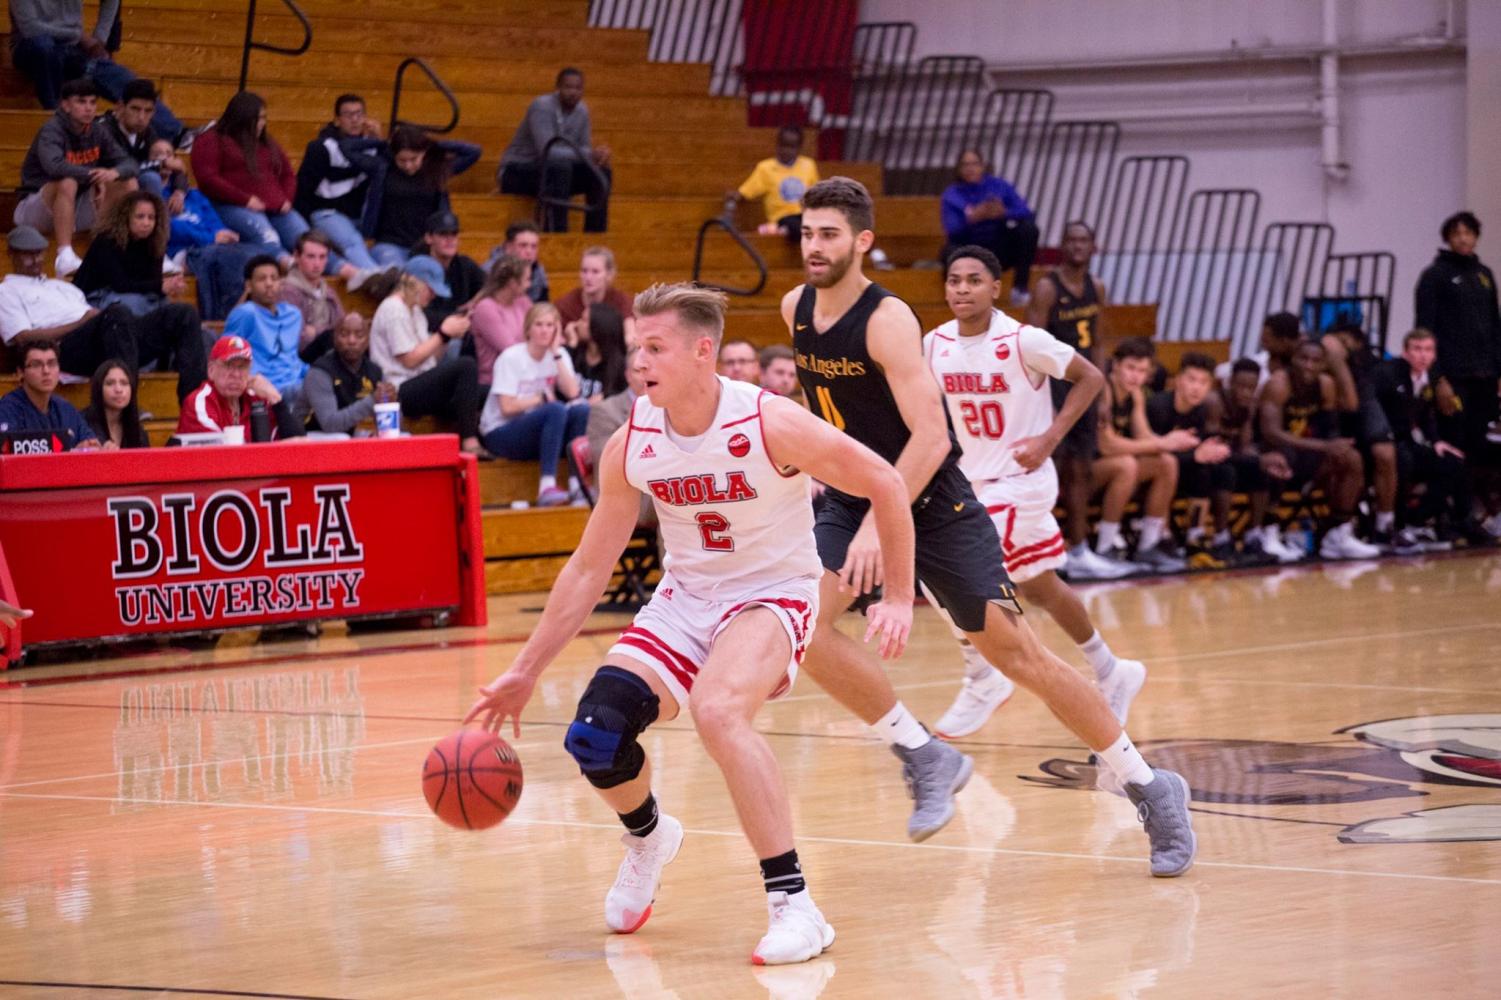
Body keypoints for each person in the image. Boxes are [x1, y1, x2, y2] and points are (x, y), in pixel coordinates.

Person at [465, 282, 916, 964]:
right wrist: (524, 671)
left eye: (654, 348)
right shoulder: (632, 440)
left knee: (719, 710)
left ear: (703, 352)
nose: (637, 362)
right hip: (687, 598)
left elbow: (884, 479)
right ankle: (647, 837)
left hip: (772, 594)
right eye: (633, 348)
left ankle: (796, 906)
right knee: (595, 736)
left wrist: (901, 595)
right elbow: (590, 568)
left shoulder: (768, 422)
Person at [785, 177, 1195, 873]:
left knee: (1017, 657)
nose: (813, 247)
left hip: (933, 502)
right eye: (805, 233)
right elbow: (826, 404)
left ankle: (1151, 789)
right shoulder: (796, 306)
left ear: (861, 242)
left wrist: (875, 526)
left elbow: (931, 439)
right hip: (856, 497)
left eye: (828, 234)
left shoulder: (886, 320)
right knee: (800, 622)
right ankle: (924, 752)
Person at [923, 245, 1148, 738]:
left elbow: (1089, 377)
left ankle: (983, 676)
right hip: (972, 479)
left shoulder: (1023, 340)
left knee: (945, 569)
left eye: (974, 280)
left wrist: (1049, 439)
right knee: (1041, 585)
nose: (962, 288)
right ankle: (1112, 670)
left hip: (1019, 482)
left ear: (996, 287)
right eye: (954, 280)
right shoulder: (934, 344)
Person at [1026, 221, 1134, 580]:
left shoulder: (1096, 286)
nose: (1077, 246)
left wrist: (1102, 392)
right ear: (1062, 246)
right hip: (1055, 387)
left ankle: (1079, 548)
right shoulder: (1046, 288)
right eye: (1070, 240)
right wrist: (1043, 399)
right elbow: (1030, 345)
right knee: (1049, 469)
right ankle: (1037, 549)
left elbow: (1099, 341)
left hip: (1085, 385)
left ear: (1094, 246)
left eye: (1083, 240)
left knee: (1081, 469)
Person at [0, 225, 203, 401]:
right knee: (116, 314)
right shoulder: (6, 291)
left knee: (182, 314)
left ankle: (192, 403)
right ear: (11, 254)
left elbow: (97, 318)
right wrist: (84, 321)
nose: (35, 259)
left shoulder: (60, 286)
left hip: (106, 335)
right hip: (63, 349)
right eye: (28, 254)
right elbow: (22, 337)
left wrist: (95, 319)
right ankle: (128, 406)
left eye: (39, 253)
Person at [1415, 211, 1501, 535]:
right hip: (1454, 379)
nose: (1463, 238)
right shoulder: (1434, 275)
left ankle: (1477, 514)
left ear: (1477, 236)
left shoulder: (1485, 275)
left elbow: (1495, 326)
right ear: (1447, 238)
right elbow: (1425, 331)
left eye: (1469, 233)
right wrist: (1438, 380)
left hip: (1484, 377)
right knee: (1457, 445)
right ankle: (1458, 517)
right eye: (1457, 233)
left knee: (1480, 447)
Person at [1259, 338, 1382, 559]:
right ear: (1293, 359)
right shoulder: (1279, 384)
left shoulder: (1326, 385)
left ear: (1324, 364)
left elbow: (1330, 428)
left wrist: (1335, 446)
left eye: (1315, 360)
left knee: (1351, 458)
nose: (1308, 365)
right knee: (1280, 458)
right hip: (1272, 450)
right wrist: (1325, 446)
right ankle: (1268, 532)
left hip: (1307, 451)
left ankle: (1337, 533)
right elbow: (1271, 434)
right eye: (1303, 358)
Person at [13, 76, 137, 276]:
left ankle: (124, 248)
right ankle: (64, 255)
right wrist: (94, 176)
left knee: (128, 182)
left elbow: (130, 164)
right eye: (81, 102)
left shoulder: (98, 130)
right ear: (65, 105)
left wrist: (113, 173)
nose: (88, 108)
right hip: (34, 208)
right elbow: (54, 167)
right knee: (67, 181)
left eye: (92, 102)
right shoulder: (52, 130)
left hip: (73, 207)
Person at [9, 0, 183, 140]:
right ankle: (57, 118)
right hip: (31, 48)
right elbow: (32, 30)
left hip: (71, 48)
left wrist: (99, 38)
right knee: (44, 48)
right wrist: (79, 36)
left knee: (118, 76)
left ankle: (177, 133)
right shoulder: (69, 37)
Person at [193, 92, 325, 274]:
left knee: (307, 240)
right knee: (266, 236)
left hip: (277, 208)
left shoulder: (267, 142)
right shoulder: (211, 140)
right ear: (242, 118)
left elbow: (287, 174)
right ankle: (291, 267)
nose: (262, 123)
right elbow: (208, 179)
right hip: (230, 206)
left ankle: (348, 270)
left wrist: (287, 199)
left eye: (264, 118)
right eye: (258, 118)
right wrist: (245, 200)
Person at [154, 138, 280, 322]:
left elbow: (212, 219)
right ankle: (226, 316)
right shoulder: (154, 197)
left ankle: (260, 311)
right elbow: (171, 229)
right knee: (232, 258)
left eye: (168, 154)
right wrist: (212, 237)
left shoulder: (193, 195)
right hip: (182, 251)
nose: (164, 159)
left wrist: (223, 233)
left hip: (211, 246)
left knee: (256, 251)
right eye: (158, 155)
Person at [368, 256, 483, 454]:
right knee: (466, 365)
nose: (432, 296)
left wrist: (448, 338)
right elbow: (410, 359)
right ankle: (469, 442)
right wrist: (443, 334)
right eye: (430, 289)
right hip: (399, 390)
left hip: (419, 383)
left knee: (486, 392)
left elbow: (430, 360)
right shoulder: (394, 308)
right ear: (412, 281)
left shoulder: (415, 311)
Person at [1373, 328, 1478, 544]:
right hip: (1383, 443)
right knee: (1403, 460)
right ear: (1405, 352)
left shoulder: (1429, 377)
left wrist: (1437, 440)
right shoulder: (1387, 374)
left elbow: (1426, 414)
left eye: (1428, 350)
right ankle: (1395, 527)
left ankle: (1416, 520)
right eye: (1417, 349)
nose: (1423, 355)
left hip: (1407, 443)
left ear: (1434, 355)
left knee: (1454, 462)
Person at [1095, 339, 1191, 572]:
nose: (1135, 376)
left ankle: (1149, 544)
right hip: (1081, 472)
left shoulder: (1135, 395)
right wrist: (1162, 442)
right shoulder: (1103, 391)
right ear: (1115, 365)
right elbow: (1106, 445)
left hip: (1112, 469)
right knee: (1127, 464)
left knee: (1166, 462)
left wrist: (1167, 443)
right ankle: (1105, 546)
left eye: (1141, 371)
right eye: (1130, 368)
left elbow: (1145, 437)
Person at [480, 302, 587, 506]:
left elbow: (573, 393)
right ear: (528, 328)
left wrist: (556, 353)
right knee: (555, 410)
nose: (544, 330)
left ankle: (576, 483)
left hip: (538, 431)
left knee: (580, 410)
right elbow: (507, 407)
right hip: (500, 432)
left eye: (550, 325)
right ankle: (546, 485)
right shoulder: (511, 357)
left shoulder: (559, 355)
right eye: (539, 324)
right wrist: (540, 399)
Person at [1145, 353, 1237, 567]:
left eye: (1203, 382)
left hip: (1180, 466)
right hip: (1150, 469)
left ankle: (1198, 537)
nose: (1197, 387)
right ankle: (1163, 537)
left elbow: (1198, 451)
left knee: (1218, 470)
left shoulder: (1202, 410)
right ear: (1178, 380)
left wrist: (1213, 450)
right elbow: (1151, 454)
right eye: (1191, 380)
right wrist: (1195, 455)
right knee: (1172, 469)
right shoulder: (1158, 407)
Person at [497, 67, 612, 233]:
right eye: (568, 87)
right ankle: (557, 234)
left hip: (557, 173)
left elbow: (584, 151)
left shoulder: (582, 111)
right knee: (559, 167)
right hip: (517, 170)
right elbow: (546, 151)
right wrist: (588, 154)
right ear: (557, 88)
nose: (573, 92)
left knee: (600, 173)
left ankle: (595, 235)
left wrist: (597, 157)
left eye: (578, 88)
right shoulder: (542, 106)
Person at [292, 94, 390, 285]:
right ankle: (376, 277)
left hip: (359, 215)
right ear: (337, 120)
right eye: (348, 115)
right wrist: (305, 229)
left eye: (359, 114)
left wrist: (381, 142)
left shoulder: (372, 148)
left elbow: (390, 174)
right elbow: (303, 189)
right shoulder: (322, 148)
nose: (354, 120)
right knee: (351, 240)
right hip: (326, 213)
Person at [1218, 357, 1300, 563]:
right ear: (1230, 382)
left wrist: (1263, 460)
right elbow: (1214, 450)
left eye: (1251, 388)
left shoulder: (1250, 406)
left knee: (1263, 468)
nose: (1246, 392)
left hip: (1232, 458)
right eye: (1241, 386)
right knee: (1226, 472)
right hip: (1210, 462)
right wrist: (1258, 460)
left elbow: (1244, 446)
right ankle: (1221, 538)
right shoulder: (1215, 402)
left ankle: (1253, 536)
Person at [366, 126, 482, 269]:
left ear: (424, 153)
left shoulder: (436, 169)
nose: (408, 165)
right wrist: (382, 143)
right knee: (397, 273)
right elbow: (347, 148)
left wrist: (434, 145)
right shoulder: (384, 169)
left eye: (414, 159)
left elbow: (473, 152)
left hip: (424, 245)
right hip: (390, 243)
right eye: (402, 160)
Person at [940, 150, 1039, 305]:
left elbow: (1026, 211)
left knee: (1028, 229)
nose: (970, 168)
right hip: (969, 246)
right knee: (949, 251)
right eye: (965, 165)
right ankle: (957, 298)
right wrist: (972, 219)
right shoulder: (952, 194)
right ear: (959, 169)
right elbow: (952, 231)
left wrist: (1004, 213)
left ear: (982, 166)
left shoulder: (998, 186)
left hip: (998, 247)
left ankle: (1020, 289)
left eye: (975, 164)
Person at [72, 190, 187, 315]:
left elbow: (152, 281)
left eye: (151, 218)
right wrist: (160, 286)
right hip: (95, 296)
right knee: (136, 304)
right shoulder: (107, 241)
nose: (146, 223)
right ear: (126, 217)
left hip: (130, 292)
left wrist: (170, 286)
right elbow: (120, 284)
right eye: (140, 217)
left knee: (165, 304)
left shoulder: (155, 242)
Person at [178, 334, 297, 439]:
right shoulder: (200, 403)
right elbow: (218, 457)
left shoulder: (257, 399)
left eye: (242, 367)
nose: (236, 374)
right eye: (228, 366)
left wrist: (275, 398)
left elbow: (298, 441)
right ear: (211, 370)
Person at [225, 255, 308, 406]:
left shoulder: (293, 314)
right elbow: (226, 355)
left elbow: (292, 357)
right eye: (262, 279)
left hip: (298, 382)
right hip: (265, 388)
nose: (269, 284)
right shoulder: (246, 313)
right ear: (249, 285)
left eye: (274, 278)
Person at [303, 313, 394, 434]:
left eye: (359, 335)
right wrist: (372, 401)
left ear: (368, 340)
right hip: (307, 436)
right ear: (335, 338)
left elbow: (390, 426)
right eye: (344, 335)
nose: (352, 341)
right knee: (340, 439)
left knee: (399, 436)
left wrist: (390, 403)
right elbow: (330, 425)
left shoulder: (374, 371)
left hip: (349, 434)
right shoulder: (320, 372)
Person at [0, 339, 97, 449]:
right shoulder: (7, 409)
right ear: (20, 373)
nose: (46, 371)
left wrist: (89, 447)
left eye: (52, 363)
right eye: (36, 364)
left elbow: (91, 444)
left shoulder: (65, 408)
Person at [727, 125, 819, 240]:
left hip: (804, 216)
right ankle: (780, 230)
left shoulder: (808, 165)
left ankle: (782, 232)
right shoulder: (765, 168)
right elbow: (747, 191)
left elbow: (816, 194)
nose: (786, 150)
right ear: (777, 144)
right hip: (782, 218)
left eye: (792, 147)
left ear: (799, 148)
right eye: (783, 145)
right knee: (796, 225)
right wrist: (735, 196)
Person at [279, 230, 346, 364]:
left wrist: (315, 331)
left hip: (330, 353)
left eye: (322, 257)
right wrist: (328, 330)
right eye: (311, 256)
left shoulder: (328, 290)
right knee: (329, 338)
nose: (317, 263)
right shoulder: (287, 291)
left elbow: (343, 328)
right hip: (301, 359)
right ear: (297, 256)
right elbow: (298, 339)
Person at [468, 254, 532, 386]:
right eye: (527, 280)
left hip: (526, 374)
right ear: (512, 283)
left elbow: (543, 327)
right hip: (496, 380)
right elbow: (511, 350)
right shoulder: (486, 308)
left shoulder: (523, 301)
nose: (529, 285)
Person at [417, 211, 487, 332]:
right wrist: (457, 318)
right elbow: (418, 314)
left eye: (454, 234)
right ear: (429, 238)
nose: (450, 239)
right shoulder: (417, 268)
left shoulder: (465, 264)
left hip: (461, 331)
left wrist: (474, 302)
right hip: (428, 334)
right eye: (443, 234)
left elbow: (494, 285)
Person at [96, 78, 164, 197]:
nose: (142, 117)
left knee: (151, 179)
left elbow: (171, 163)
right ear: (121, 107)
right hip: (101, 186)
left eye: (148, 111)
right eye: (135, 109)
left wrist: (180, 191)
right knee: (135, 181)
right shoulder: (104, 130)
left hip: (130, 180)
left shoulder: (148, 132)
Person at [556, 246, 636, 344]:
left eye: (595, 272)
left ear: (609, 274)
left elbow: (631, 337)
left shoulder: (621, 301)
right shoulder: (565, 305)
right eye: (584, 271)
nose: (588, 277)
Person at [82, 357, 149, 448]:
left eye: (124, 383)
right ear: (98, 388)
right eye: (110, 383)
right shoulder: (83, 424)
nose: (118, 389)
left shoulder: (138, 431)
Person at [574, 302, 629, 402]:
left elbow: (622, 395)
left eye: (584, 320)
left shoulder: (619, 365)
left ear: (598, 326)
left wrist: (605, 396)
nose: (578, 323)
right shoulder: (574, 353)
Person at [486, 221, 549, 302]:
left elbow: (543, 305)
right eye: (523, 245)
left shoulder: (539, 271)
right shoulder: (489, 271)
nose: (529, 251)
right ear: (508, 247)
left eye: (534, 246)